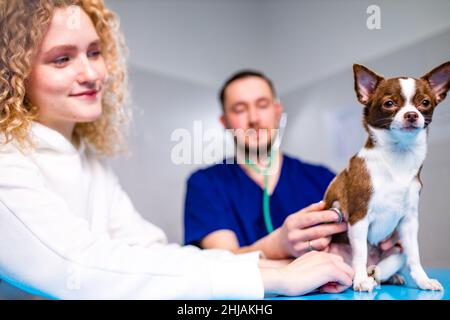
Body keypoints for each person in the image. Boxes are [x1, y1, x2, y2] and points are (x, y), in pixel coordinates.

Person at [0, 0, 354, 299]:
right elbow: (76, 267)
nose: (91, 73)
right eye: (62, 59)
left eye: (95, 52)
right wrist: (276, 273)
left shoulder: (86, 160)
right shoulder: (7, 158)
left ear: (278, 110)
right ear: (13, 72)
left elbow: (150, 254)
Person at [184, 70, 399, 262]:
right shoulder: (205, 184)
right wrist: (277, 245)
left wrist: (383, 234)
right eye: (239, 109)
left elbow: (359, 234)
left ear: (277, 112)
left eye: (262, 105)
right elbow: (222, 263)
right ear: (225, 122)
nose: (254, 118)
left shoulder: (322, 178)